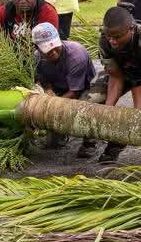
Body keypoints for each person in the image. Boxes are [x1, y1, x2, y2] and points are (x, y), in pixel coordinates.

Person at [87, 4, 141, 162]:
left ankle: (116, 146)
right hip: (121, 73)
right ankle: (89, 140)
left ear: (131, 29)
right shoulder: (105, 40)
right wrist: (106, 110)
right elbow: (115, 76)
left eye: (117, 37)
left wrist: (136, 114)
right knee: (94, 101)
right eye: (109, 36)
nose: (112, 41)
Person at [32, 21, 99, 155]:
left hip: (84, 88)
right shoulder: (37, 58)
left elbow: (75, 92)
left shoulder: (76, 55)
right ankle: (61, 132)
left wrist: (50, 105)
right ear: (38, 48)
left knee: (88, 107)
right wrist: (49, 92)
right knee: (53, 143)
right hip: (59, 89)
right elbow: (44, 80)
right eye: (47, 49)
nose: (53, 51)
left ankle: (90, 142)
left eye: (55, 46)